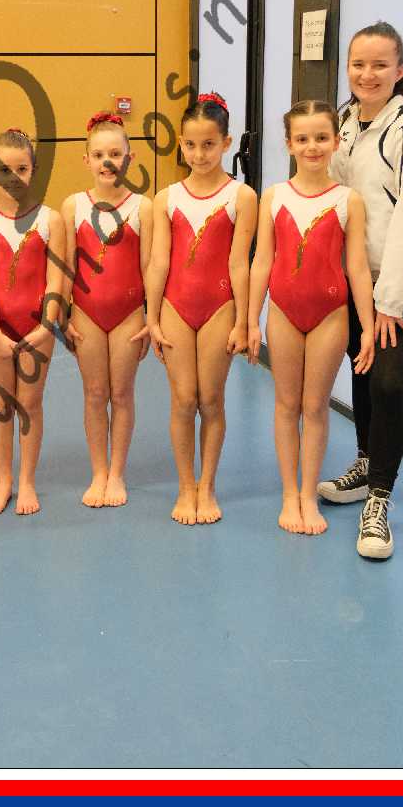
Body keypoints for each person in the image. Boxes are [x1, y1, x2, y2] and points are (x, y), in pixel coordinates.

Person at [318, 22, 403, 559]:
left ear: (400, 70)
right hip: (351, 279)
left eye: (379, 65)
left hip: (397, 283)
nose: (367, 74)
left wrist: (390, 301)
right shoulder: (343, 123)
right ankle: (366, 462)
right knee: (363, 376)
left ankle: (380, 500)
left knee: (389, 384)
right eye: (358, 64)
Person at [248, 101, 374, 535]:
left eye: (321, 137)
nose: (312, 146)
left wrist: (368, 326)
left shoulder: (348, 200)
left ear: (336, 142)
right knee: (287, 404)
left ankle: (307, 493)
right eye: (302, 139)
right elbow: (262, 261)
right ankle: (289, 493)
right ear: (289, 144)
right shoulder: (274, 197)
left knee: (315, 406)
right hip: (283, 312)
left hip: (330, 314)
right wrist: (250, 320)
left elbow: (357, 267)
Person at [145, 93, 257, 525]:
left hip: (219, 306)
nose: (199, 154)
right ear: (180, 144)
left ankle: (207, 485)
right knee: (182, 399)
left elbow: (239, 263)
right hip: (175, 305)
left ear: (226, 143)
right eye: (190, 145)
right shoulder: (166, 197)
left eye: (209, 145)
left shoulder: (242, 196)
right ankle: (185, 485)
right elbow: (159, 262)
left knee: (210, 399)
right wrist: (152, 317)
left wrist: (245, 321)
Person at [0, 128, 66, 516]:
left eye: (21, 169)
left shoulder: (50, 219)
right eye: (4, 169)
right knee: (1, 405)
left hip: (37, 328)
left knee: (29, 403)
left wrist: (45, 327)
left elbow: (56, 281)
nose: (13, 178)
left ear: (34, 170)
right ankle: (3, 481)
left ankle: (26, 480)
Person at [61, 112, 152, 508]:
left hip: (129, 313)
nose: (107, 162)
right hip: (86, 313)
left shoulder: (142, 207)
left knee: (122, 392)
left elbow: (150, 267)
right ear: (87, 160)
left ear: (130, 157)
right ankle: (98, 471)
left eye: (115, 154)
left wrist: (151, 317)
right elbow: (66, 265)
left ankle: (117, 472)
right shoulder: (73, 206)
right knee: (95, 393)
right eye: (99, 155)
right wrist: (63, 314)